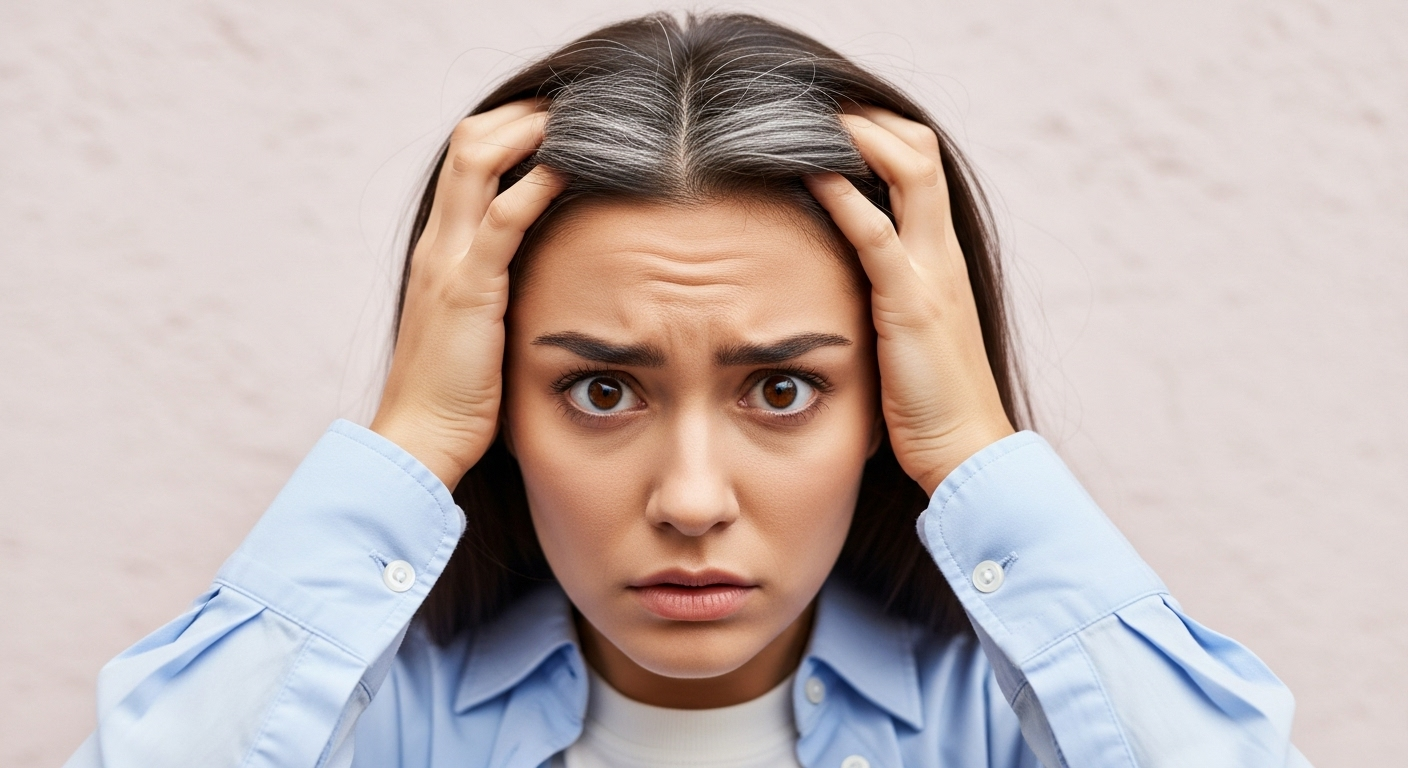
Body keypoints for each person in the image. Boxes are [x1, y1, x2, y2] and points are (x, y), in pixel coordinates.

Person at [65, 12, 1312, 768]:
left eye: (784, 388)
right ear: (496, 403)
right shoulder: (365, 723)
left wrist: (975, 452)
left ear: (888, 403)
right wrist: (410, 439)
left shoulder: (1008, 726)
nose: (692, 499)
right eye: (602, 391)